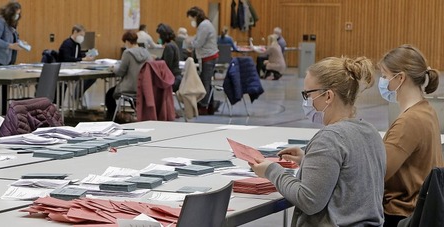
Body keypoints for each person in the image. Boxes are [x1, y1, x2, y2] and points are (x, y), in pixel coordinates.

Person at [250, 56, 386, 226]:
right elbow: (348, 175)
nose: (306, 100)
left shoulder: (330, 138)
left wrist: (272, 170)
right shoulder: (371, 131)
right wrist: (308, 159)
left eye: (307, 94)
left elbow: (308, 201)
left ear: (328, 96)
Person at [377, 45, 444, 227]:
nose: (382, 82)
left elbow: (377, 172)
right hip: (415, 211)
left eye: (384, 76)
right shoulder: (425, 110)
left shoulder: (409, 121)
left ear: (400, 78)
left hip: (399, 214)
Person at [105, 31, 151, 120]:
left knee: (109, 94)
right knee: (133, 98)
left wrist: (113, 68)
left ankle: (112, 118)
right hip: (144, 87)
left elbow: (120, 72)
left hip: (130, 87)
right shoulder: (146, 53)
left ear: (127, 41)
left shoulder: (127, 53)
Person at [186, 6, 219, 115]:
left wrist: (190, 44)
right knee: (207, 82)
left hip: (208, 57)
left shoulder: (204, 25)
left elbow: (198, 42)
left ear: (196, 17)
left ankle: (204, 107)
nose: (191, 21)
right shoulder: (205, 24)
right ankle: (210, 105)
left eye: (191, 19)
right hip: (208, 56)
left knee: (205, 82)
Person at [58, 24, 96, 98]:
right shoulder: (67, 43)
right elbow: (67, 59)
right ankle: (76, 95)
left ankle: (77, 94)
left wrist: (87, 55)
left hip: (75, 68)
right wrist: (83, 59)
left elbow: (78, 56)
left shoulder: (77, 45)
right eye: (81, 35)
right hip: (65, 69)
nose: (82, 37)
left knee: (92, 76)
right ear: (75, 32)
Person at [156, 23, 181, 92]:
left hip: (173, 79)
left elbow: (166, 65)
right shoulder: (173, 44)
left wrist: (156, 60)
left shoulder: (169, 47)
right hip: (176, 78)